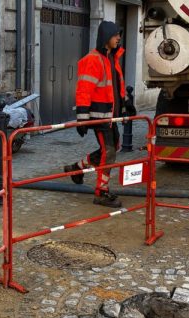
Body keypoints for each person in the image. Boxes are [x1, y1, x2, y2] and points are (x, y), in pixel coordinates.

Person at [64, 21, 137, 208]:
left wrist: (127, 102)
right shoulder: (93, 60)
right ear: (106, 37)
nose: (119, 38)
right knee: (109, 152)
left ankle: (76, 168)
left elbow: (116, 86)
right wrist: (82, 118)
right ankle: (101, 193)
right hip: (99, 116)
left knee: (114, 147)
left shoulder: (111, 58)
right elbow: (84, 90)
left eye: (119, 35)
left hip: (110, 116)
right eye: (116, 35)